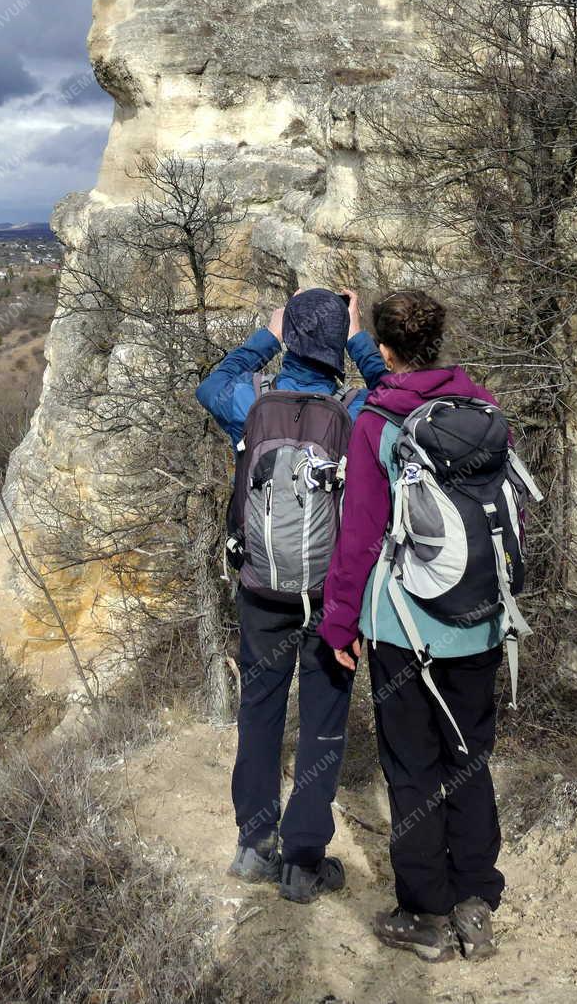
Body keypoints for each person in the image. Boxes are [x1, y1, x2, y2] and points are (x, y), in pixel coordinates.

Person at [318, 290, 510, 964]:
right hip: (481, 621)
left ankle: (425, 914)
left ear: (387, 346)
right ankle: (476, 902)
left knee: (412, 766)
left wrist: (338, 622)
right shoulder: (483, 411)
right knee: (469, 757)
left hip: (403, 626)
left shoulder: (378, 421)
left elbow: (361, 536)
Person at [197, 289, 386, 904]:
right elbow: (397, 405)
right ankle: (303, 863)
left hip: (261, 589)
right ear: (337, 346)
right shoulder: (356, 411)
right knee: (324, 722)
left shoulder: (251, 404)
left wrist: (264, 336)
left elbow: (213, 384)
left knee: (260, 712)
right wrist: (360, 339)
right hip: (332, 597)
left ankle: (254, 847)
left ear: (292, 339)